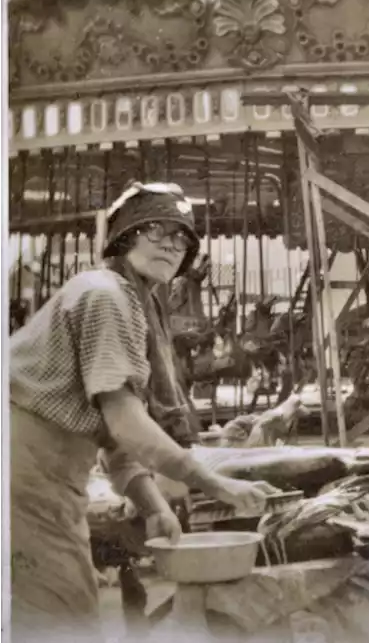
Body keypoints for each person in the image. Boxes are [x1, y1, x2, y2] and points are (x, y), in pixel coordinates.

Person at [8, 181, 277, 642]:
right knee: (63, 618)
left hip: (49, 473)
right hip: (22, 470)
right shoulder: (106, 295)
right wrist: (216, 484)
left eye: (182, 238)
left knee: (56, 609)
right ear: (126, 235)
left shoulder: (137, 304)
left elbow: (115, 437)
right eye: (158, 230)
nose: (173, 244)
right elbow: (127, 424)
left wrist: (153, 506)